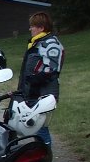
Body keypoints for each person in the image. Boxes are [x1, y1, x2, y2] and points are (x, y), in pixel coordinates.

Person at [18, 11, 64, 146]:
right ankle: (42, 154)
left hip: (43, 93)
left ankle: (45, 155)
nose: (30, 29)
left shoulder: (50, 43)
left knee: (40, 127)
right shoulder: (37, 43)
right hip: (33, 91)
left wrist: (33, 80)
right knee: (34, 127)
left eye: (33, 26)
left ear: (41, 28)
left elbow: (51, 70)